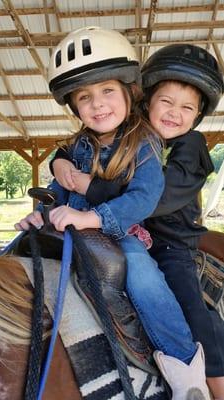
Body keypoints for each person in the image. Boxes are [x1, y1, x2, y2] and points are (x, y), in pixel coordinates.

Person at [15, 27, 210, 400]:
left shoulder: (145, 143)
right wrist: (41, 214)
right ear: (74, 106)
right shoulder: (76, 147)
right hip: (72, 231)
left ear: (129, 93)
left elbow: (144, 197)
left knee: (141, 274)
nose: (98, 104)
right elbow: (59, 191)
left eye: (107, 91)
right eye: (84, 97)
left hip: (120, 233)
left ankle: (184, 365)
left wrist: (93, 218)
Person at [141, 44, 224, 400]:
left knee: (190, 307)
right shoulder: (136, 139)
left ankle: (216, 385)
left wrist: (99, 193)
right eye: (167, 102)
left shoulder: (191, 146)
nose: (175, 113)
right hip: (124, 234)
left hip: (171, 242)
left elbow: (162, 197)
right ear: (147, 102)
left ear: (197, 116)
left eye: (187, 107)